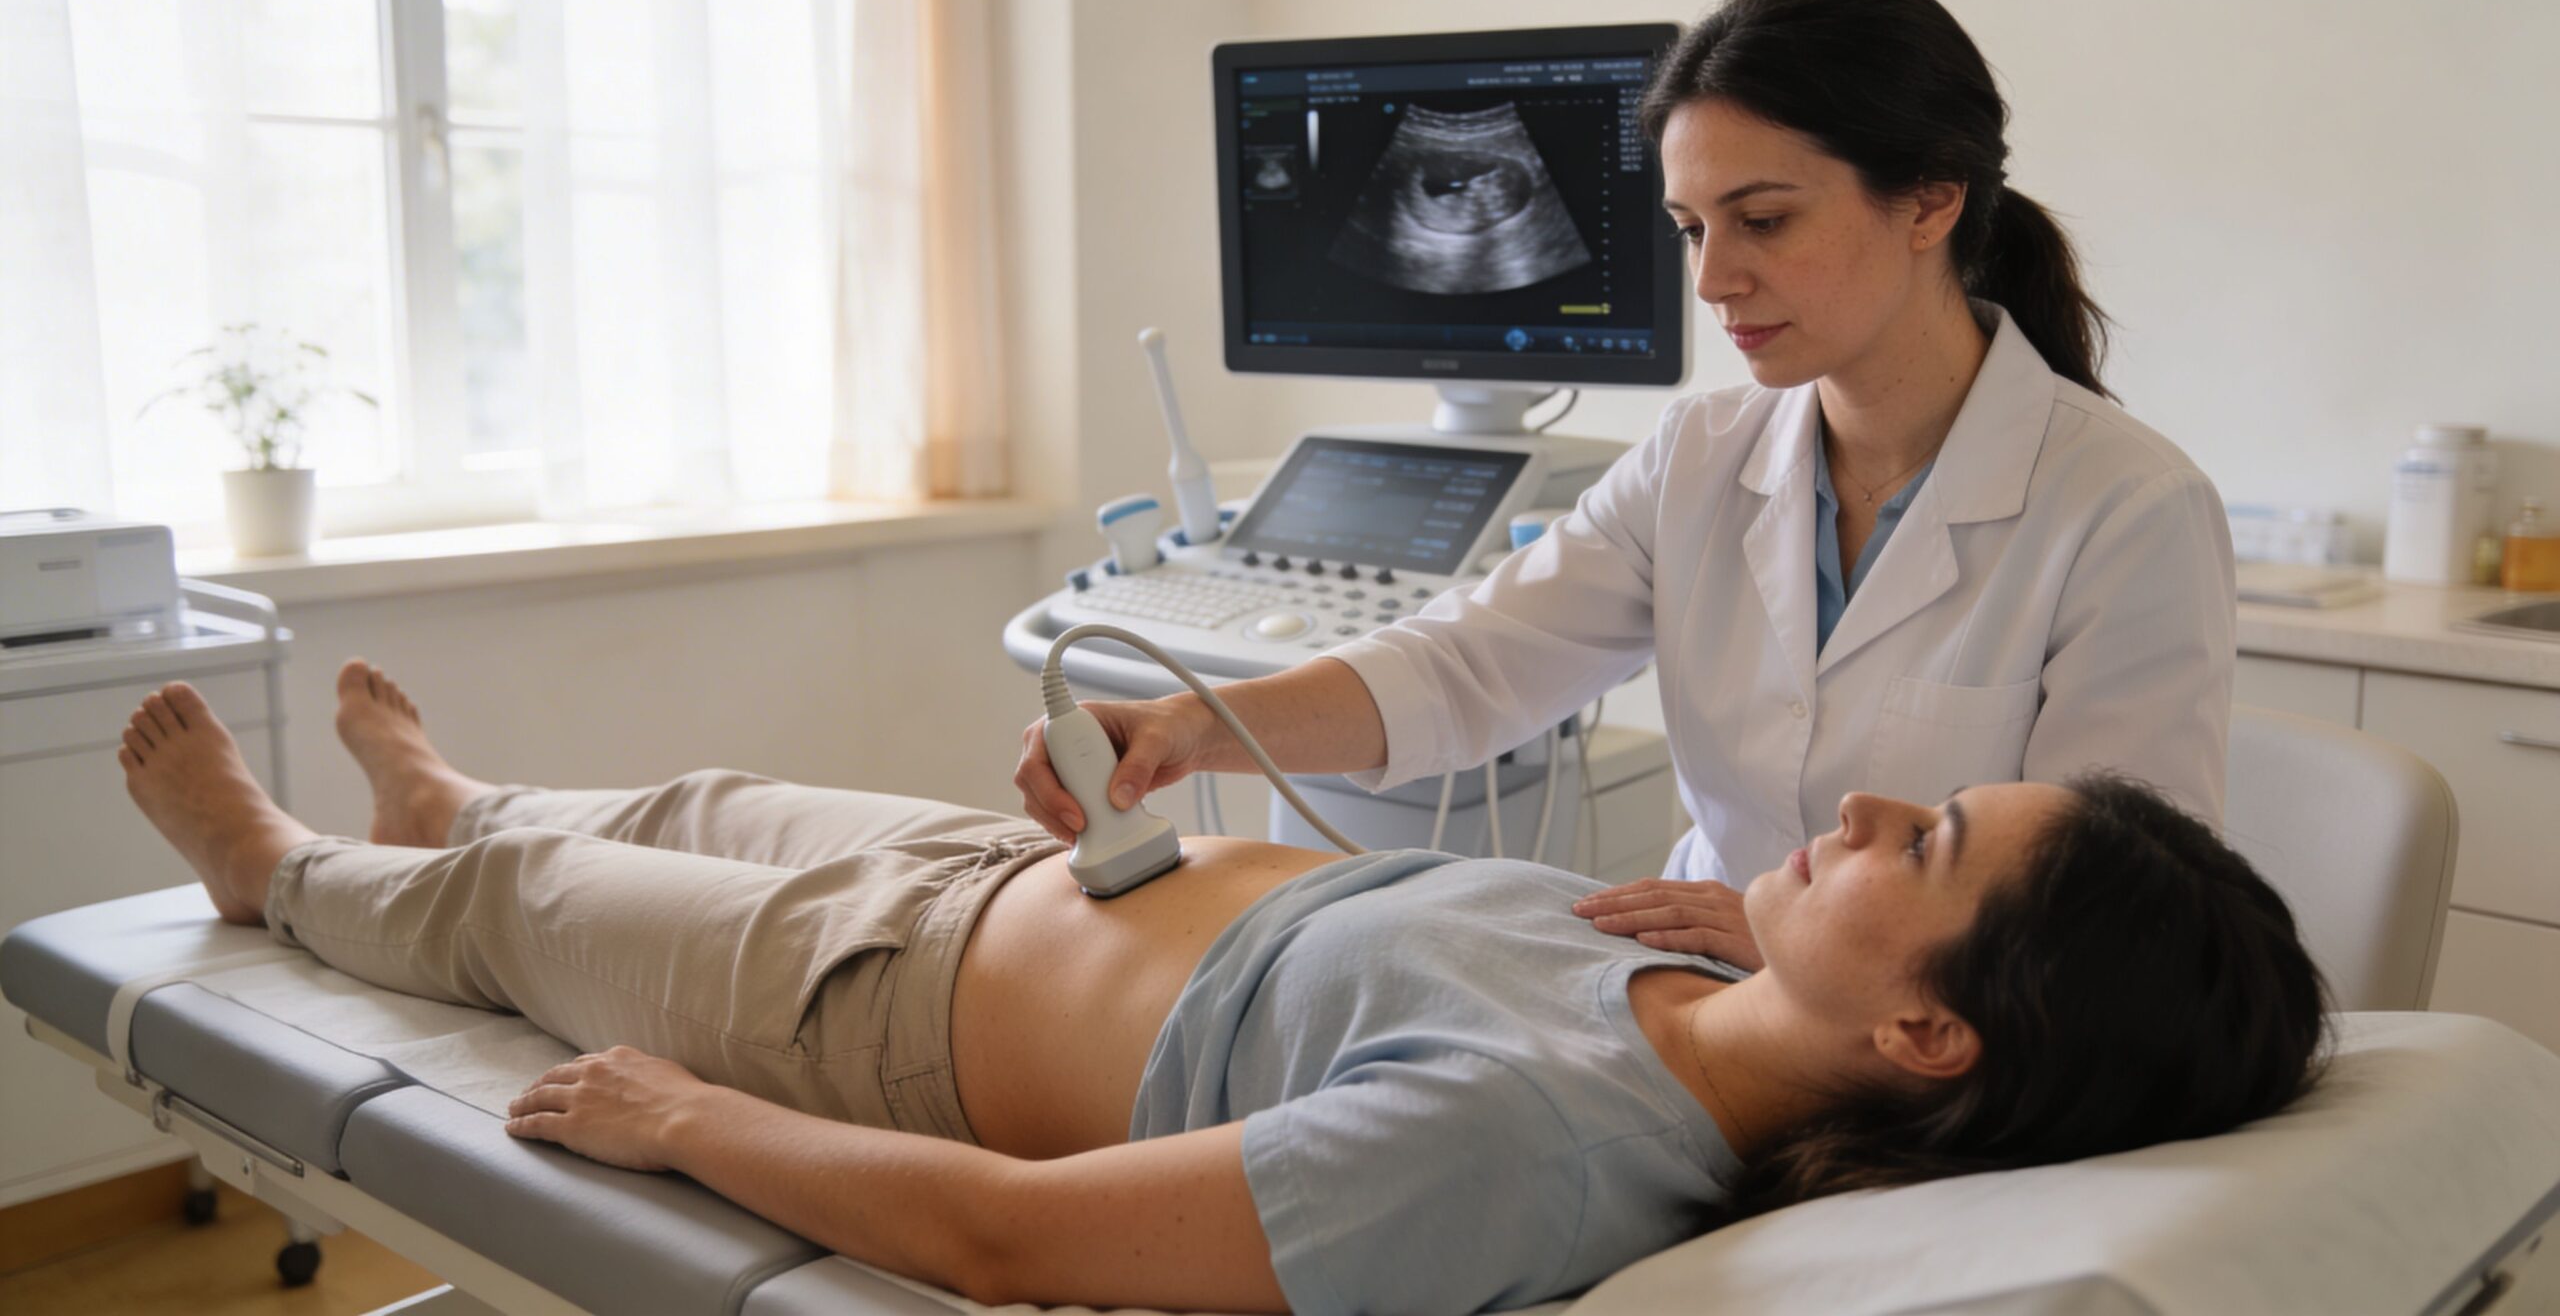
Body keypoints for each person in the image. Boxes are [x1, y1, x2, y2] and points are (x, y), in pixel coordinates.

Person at [115, 661, 2325, 1315]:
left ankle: (286, 865)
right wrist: (1748, 922)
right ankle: (458, 789)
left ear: (1926, 1035)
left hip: (876, 1013)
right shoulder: (1697, 964)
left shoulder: (1534, 1149)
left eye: (1911, 848)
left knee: (522, 913)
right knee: (678, 787)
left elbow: (999, 1240)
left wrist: (690, 1125)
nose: (1849, 811)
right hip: (1005, 874)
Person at [1016, 0, 2237, 971]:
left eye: (1763, 222)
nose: (1713, 284)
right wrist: (1190, 729)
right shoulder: (1702, 456)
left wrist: (1783, 944)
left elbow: (2114, 933)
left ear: (1927, 203)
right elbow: (1467, 667)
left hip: (1910, 1049)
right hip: (1689, 986)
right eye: (1691, 230)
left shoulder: (2123, 512)